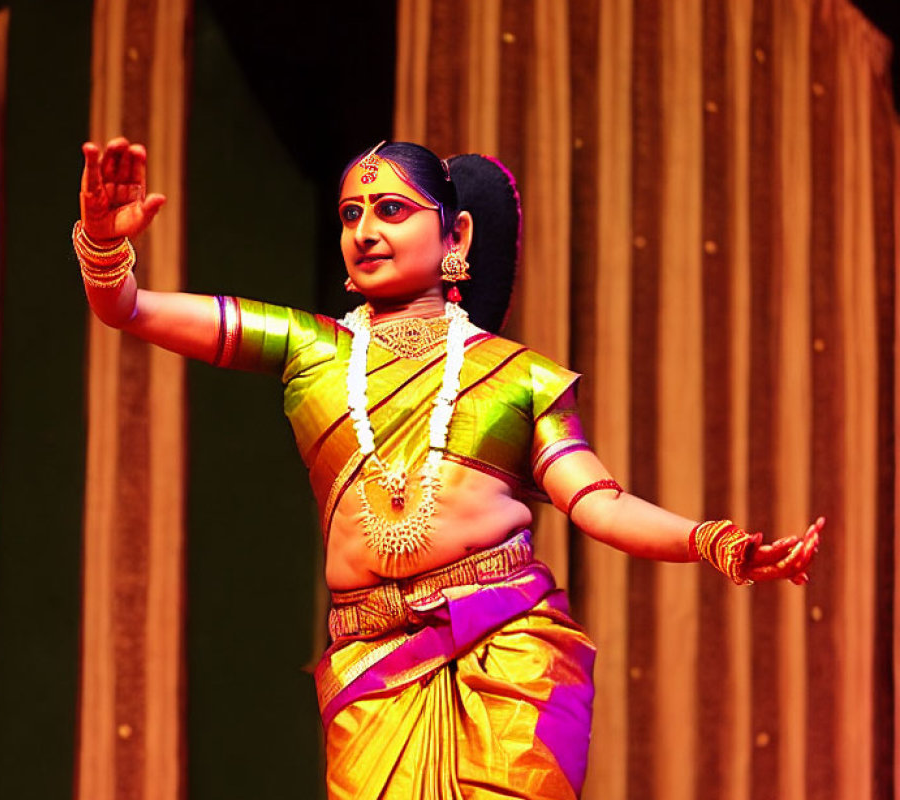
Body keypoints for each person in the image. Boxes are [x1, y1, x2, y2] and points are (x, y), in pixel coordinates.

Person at [74, 138, 821, 799]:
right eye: (349, 214)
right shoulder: (309, 349)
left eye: (391, 209)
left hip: (508, 654)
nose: (365, 231)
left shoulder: (517, 377)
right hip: (372, 666)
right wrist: (104, 245)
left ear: (455, 232)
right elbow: (130, 310)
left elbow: (598, 503)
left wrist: (714, 542)